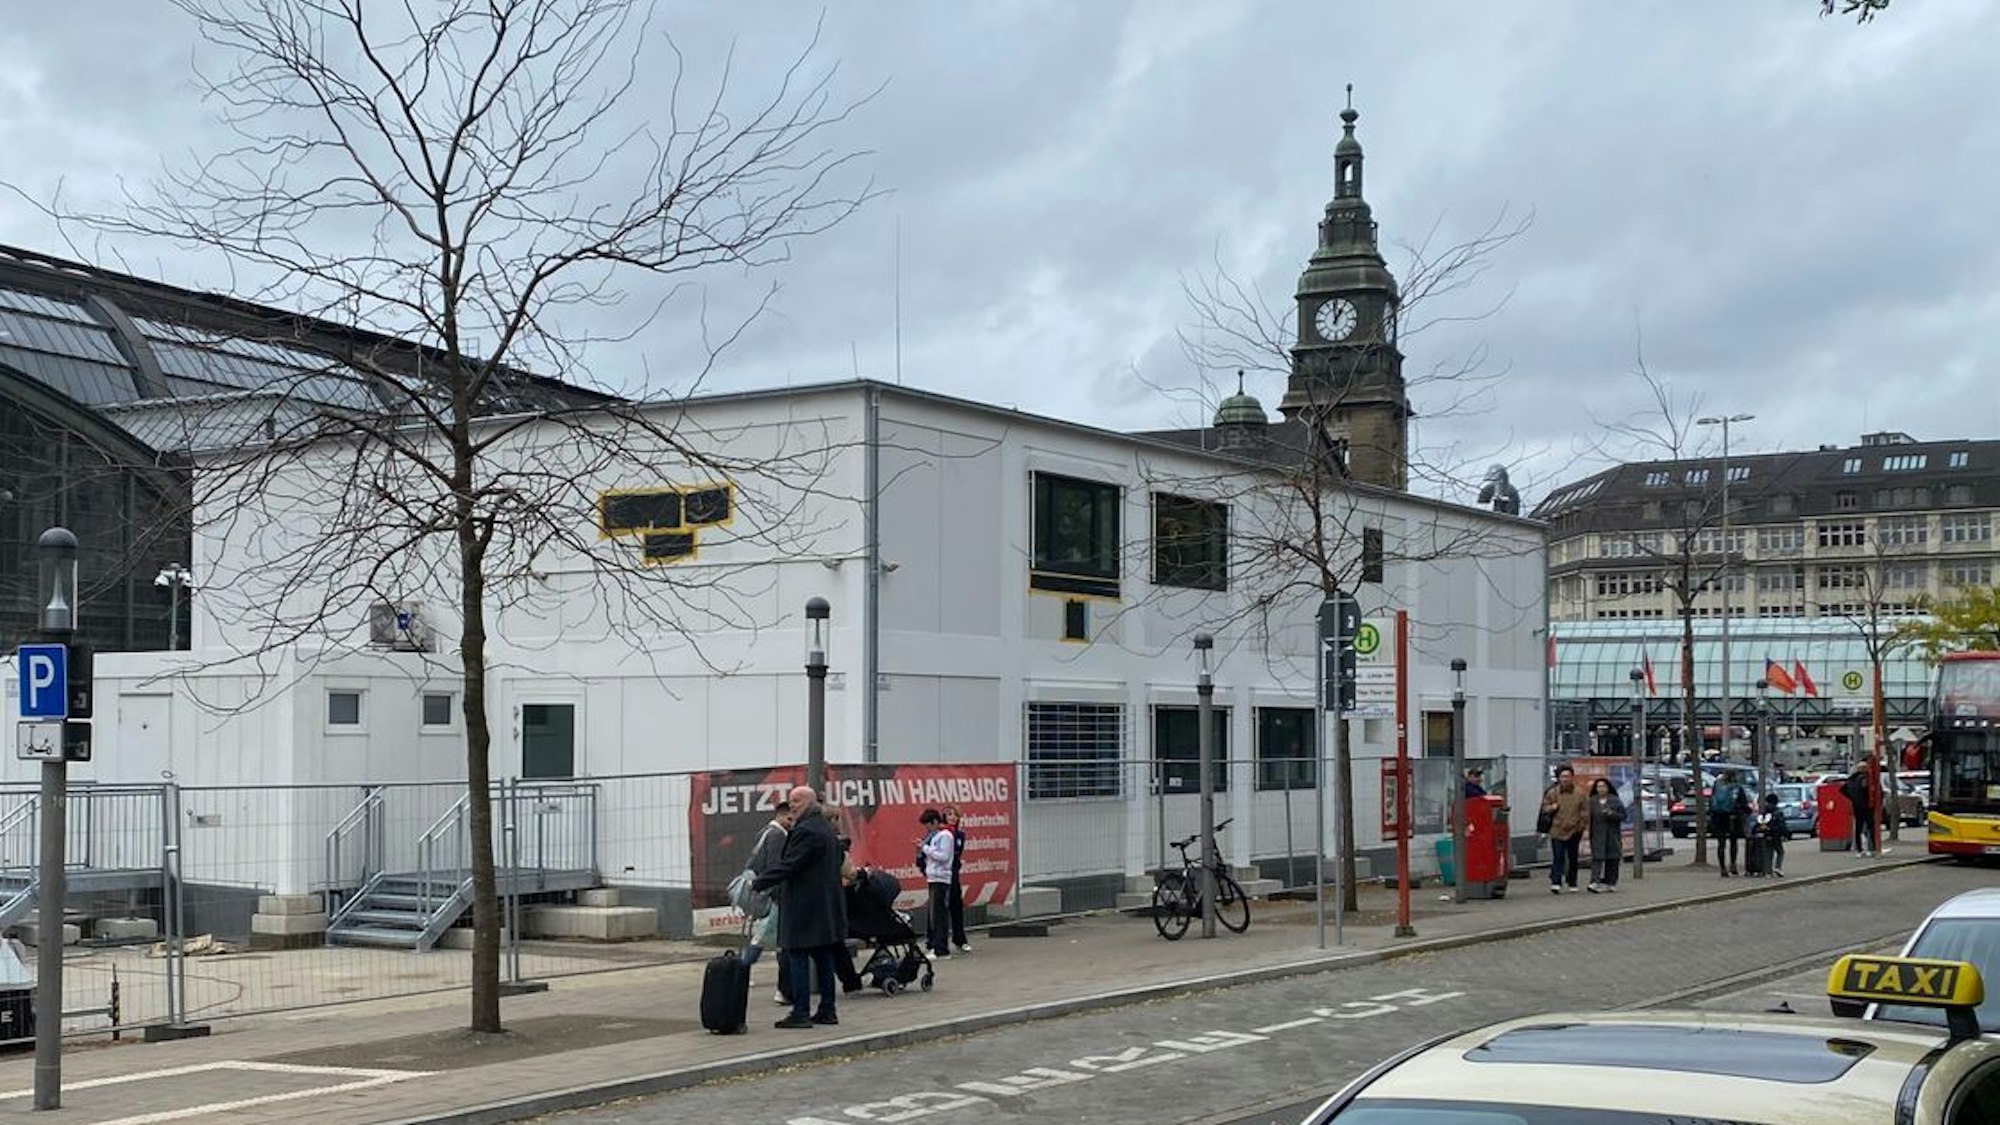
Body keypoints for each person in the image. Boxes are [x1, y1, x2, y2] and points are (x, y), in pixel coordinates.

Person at [751, 785, 848, 1029]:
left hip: (804, 904)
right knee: (823, 956)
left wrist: (760, 882)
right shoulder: (826, 827)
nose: (792, 805)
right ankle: (827, 1009)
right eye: (791, 801)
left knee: (796, 954)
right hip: (824, 903)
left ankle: (801, 1011)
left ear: (809, 802)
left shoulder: (806, 830)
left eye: (796, 801)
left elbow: (791, 864)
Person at [739, 798, 794, 1005]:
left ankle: (742, 972)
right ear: (781, 816)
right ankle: (742, 972)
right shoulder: (778, 835)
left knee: (763, 938)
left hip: (765, 893)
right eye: (789, 818)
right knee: (767, 939)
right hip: (774, 896)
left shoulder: (764, 832)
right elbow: (774, 867)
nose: (792, 822)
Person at [1540, 766, 1588, 894]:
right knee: (1558, 857)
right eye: (1563, 776)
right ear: (1559, 778)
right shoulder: (1552, 792)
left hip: (1574, 830)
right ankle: (1556, 882)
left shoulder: (1580, 793)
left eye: (1568, 776)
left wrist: (1580, 826)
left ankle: (1572, 882)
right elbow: (1544, 808)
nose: (1565, 779)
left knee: (1573, 858)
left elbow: (1585, 812)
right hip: (1557, 829)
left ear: (1572, 777)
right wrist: (1552, 807)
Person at [918, 808, 957, 957]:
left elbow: (944, 856)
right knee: (935, 914)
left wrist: (926, 848)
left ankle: (941, 948)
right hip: (934, 877)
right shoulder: (936, 836)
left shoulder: (945, 836)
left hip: (941, 877)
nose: (927, 828)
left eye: (928, 825)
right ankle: (936, 944)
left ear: (935, 822)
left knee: (940, 914)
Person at [1585, 778, 1626, 893]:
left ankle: (1610, 882)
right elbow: (1588, 817)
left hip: (1612, 834)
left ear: (1608, 788)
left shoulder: (1615, 800)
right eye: (1598, 787)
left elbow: (1623, 815)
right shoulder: (1592, 801)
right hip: (1597, 833)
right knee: (1597, 858)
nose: (1601, 789)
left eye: (1603, 786)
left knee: (1612, 858)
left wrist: (1611, 814)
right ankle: (1594, 881)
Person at [1709, 768, 1751, 877]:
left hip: (1718, 817)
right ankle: (1733, 865)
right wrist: (1747, 811)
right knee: (1733, 841)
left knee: (1721, 843)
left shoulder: (1717, 785)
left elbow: (1712, 801)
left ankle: (1722, 868)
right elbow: (1743, 804)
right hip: (1733, 817)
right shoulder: (1737, 788)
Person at [944, 806, 971, 953]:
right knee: (940, 907)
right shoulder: (941, 834)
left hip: (953, 872)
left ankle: (960, 939)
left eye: (955, 815)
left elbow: (957, 853)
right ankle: (936, 942)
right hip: (941, 874)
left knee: (956, 904)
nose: (953, 817)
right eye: (949, 815)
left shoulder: (959, 834)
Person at [1843, 763, 1879, 857]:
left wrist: (1853, 798)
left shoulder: (1851, 779)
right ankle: (1873, 848)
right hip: (1867, 806)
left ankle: (1860, 850)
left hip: (1856, 806)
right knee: (1871, 827)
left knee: (1858, 828)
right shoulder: (1866, 778)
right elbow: (1867, 788)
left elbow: (1843, 789)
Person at [1755, 791, 1787, 878]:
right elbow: (1782, 825)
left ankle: (1767, 871)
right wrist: (1784, 834)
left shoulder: (1764, 811)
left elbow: (1758, 822)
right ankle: (1778, 867)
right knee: (1780, 851)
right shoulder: (1778, 812)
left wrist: (1758, 830)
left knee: (1768, 853)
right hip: (1776, 835)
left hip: (1766, 835)